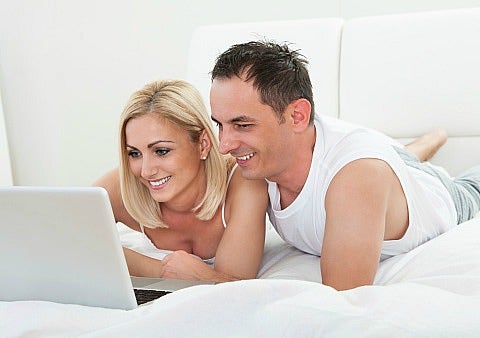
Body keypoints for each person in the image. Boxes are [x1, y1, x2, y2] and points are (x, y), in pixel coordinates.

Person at [209, 40, 480, 291]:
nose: (225, 146)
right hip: (379, 158)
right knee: (394, 157)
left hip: (444, 193)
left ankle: (423, 148)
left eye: (242, 125)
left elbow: (340, 299)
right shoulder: (257, 161)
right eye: (220, 125)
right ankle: (423, 145)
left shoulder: (357, 177)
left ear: (297, 116)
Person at [94, 79, 268, 283]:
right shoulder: (122, 185)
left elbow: (236, 286)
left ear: (203, 145)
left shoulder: (244, 183)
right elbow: (65, 236)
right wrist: (160, 270)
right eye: (134, 153)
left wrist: (201, 275)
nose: (147, 170)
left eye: (161, 151)